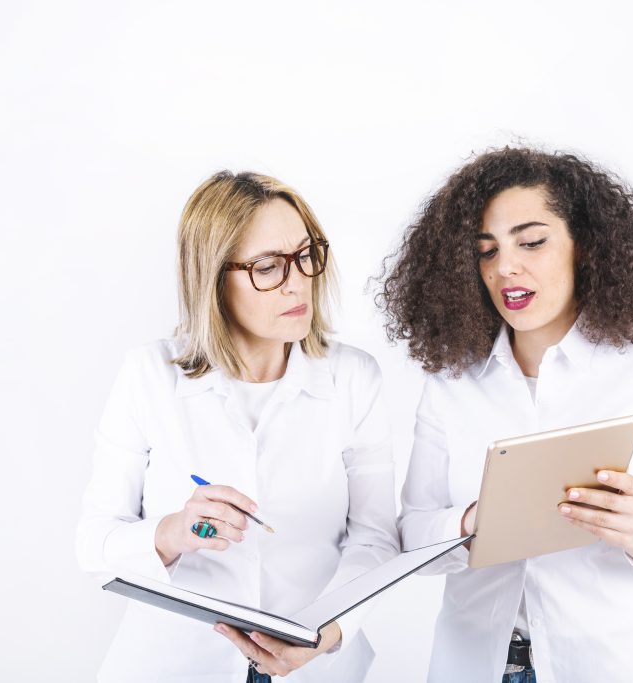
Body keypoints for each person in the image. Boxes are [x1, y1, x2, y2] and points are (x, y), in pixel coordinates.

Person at [378, 147, 633, 683]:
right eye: (487, 250)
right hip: (474, 667)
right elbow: (412, 537)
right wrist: (474, 522)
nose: (505, 267)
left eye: (531, 242)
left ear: (584, 246)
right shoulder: (452, 384)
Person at [77, 171, 399, 682]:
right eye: (268, 267)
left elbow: (376, 540)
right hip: (174, 666)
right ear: (212, 279)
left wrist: (322, 634)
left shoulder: (354, 378)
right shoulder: (148, 376)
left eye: (305, 255)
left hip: (314, 668)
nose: (297, 281)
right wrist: (172, 532)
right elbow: (94, 544)